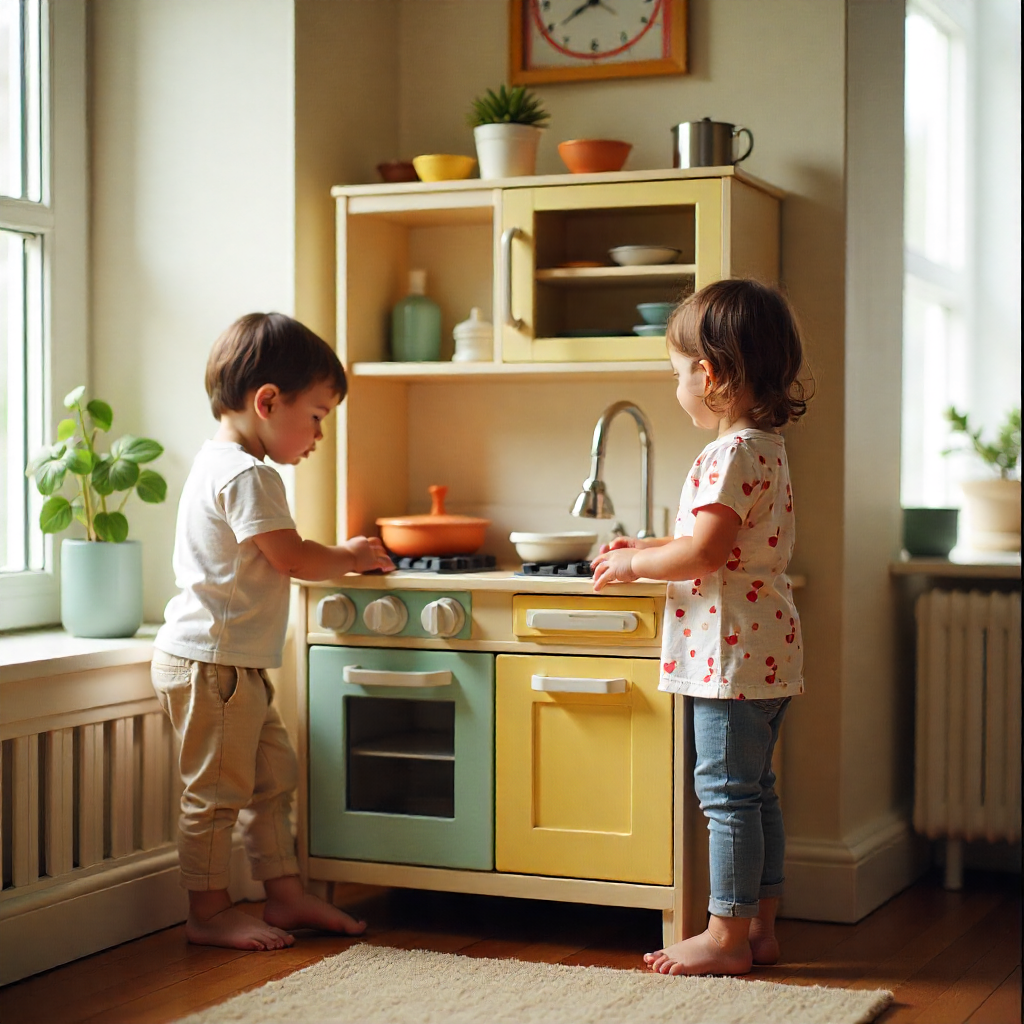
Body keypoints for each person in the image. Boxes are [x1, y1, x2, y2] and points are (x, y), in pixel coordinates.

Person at [152, 312, 395, 951]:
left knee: (271, 777)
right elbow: (290, 556)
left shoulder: (221, 464)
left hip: (232, 664)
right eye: (316, 415)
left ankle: (283, 893)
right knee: (216, 793)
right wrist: (349, 555)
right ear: (267, 402)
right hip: (214, 666)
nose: (319, 434)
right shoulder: (247, 474)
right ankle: (208, 912)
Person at [591, 279, 809, 976]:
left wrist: (634, 565)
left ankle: (724, 936)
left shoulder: (728, 453)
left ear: (709, 375)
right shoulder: (765, 447)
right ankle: (759, 929)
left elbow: (705, 554)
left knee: (726, 796)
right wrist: (649, 544)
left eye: (678, 372)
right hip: (766, 649)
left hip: (728, 655)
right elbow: (720, 540)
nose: (677, 386)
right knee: (755, 792)